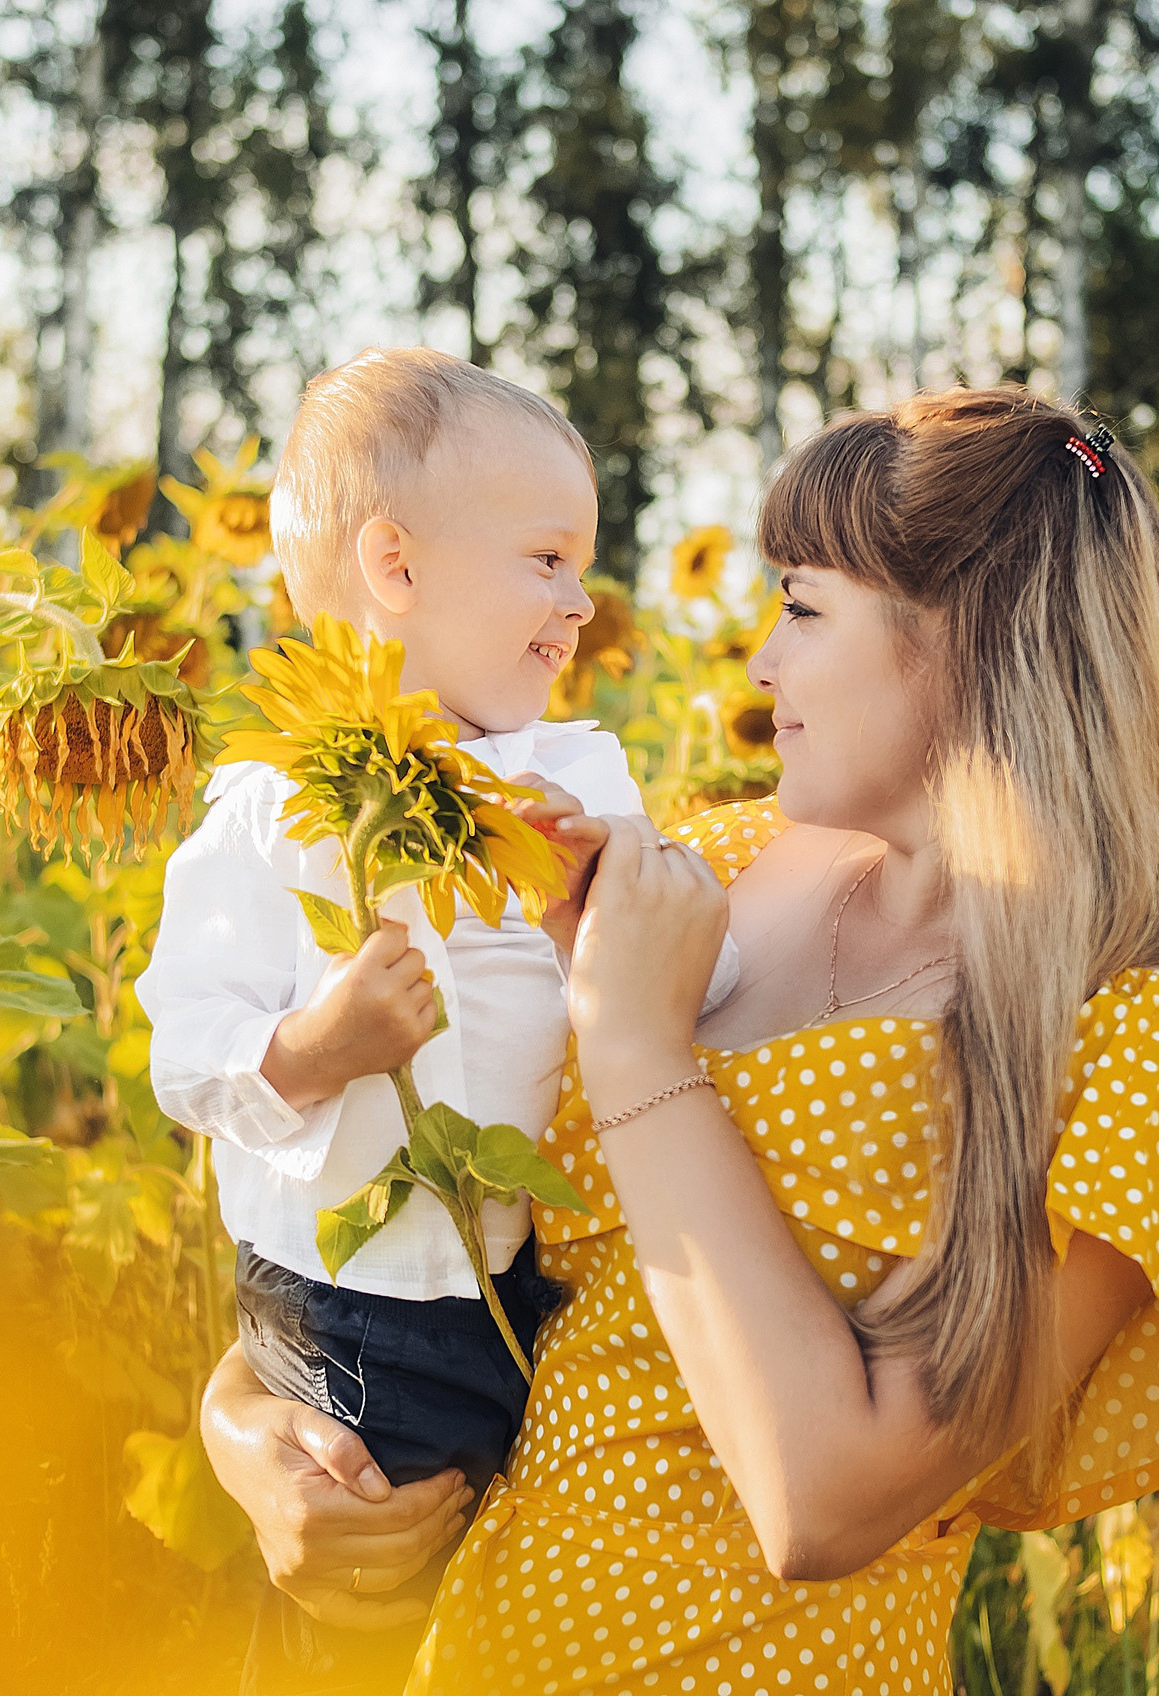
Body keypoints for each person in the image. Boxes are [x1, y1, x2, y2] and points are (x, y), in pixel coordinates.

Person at [201, 386, 1159, 1694]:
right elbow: (402, 1232)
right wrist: (252, 1434)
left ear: (972, 643)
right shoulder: (692, 867)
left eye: (804, 608)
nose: (761, 666)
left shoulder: (1138, 1049)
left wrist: (640, 1049)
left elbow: (824, 1503)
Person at [137, 347, 736, 1692]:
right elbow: (188, 1047)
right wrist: (316, 1048)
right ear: (395, 566)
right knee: (360, 1602)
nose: (581, 604)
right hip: (353, 1312)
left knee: (489, 1612)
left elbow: (679, 961)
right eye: (547, 560)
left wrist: (600, 884)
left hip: (519, 1284)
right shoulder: (271, 807)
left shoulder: (575, 771)